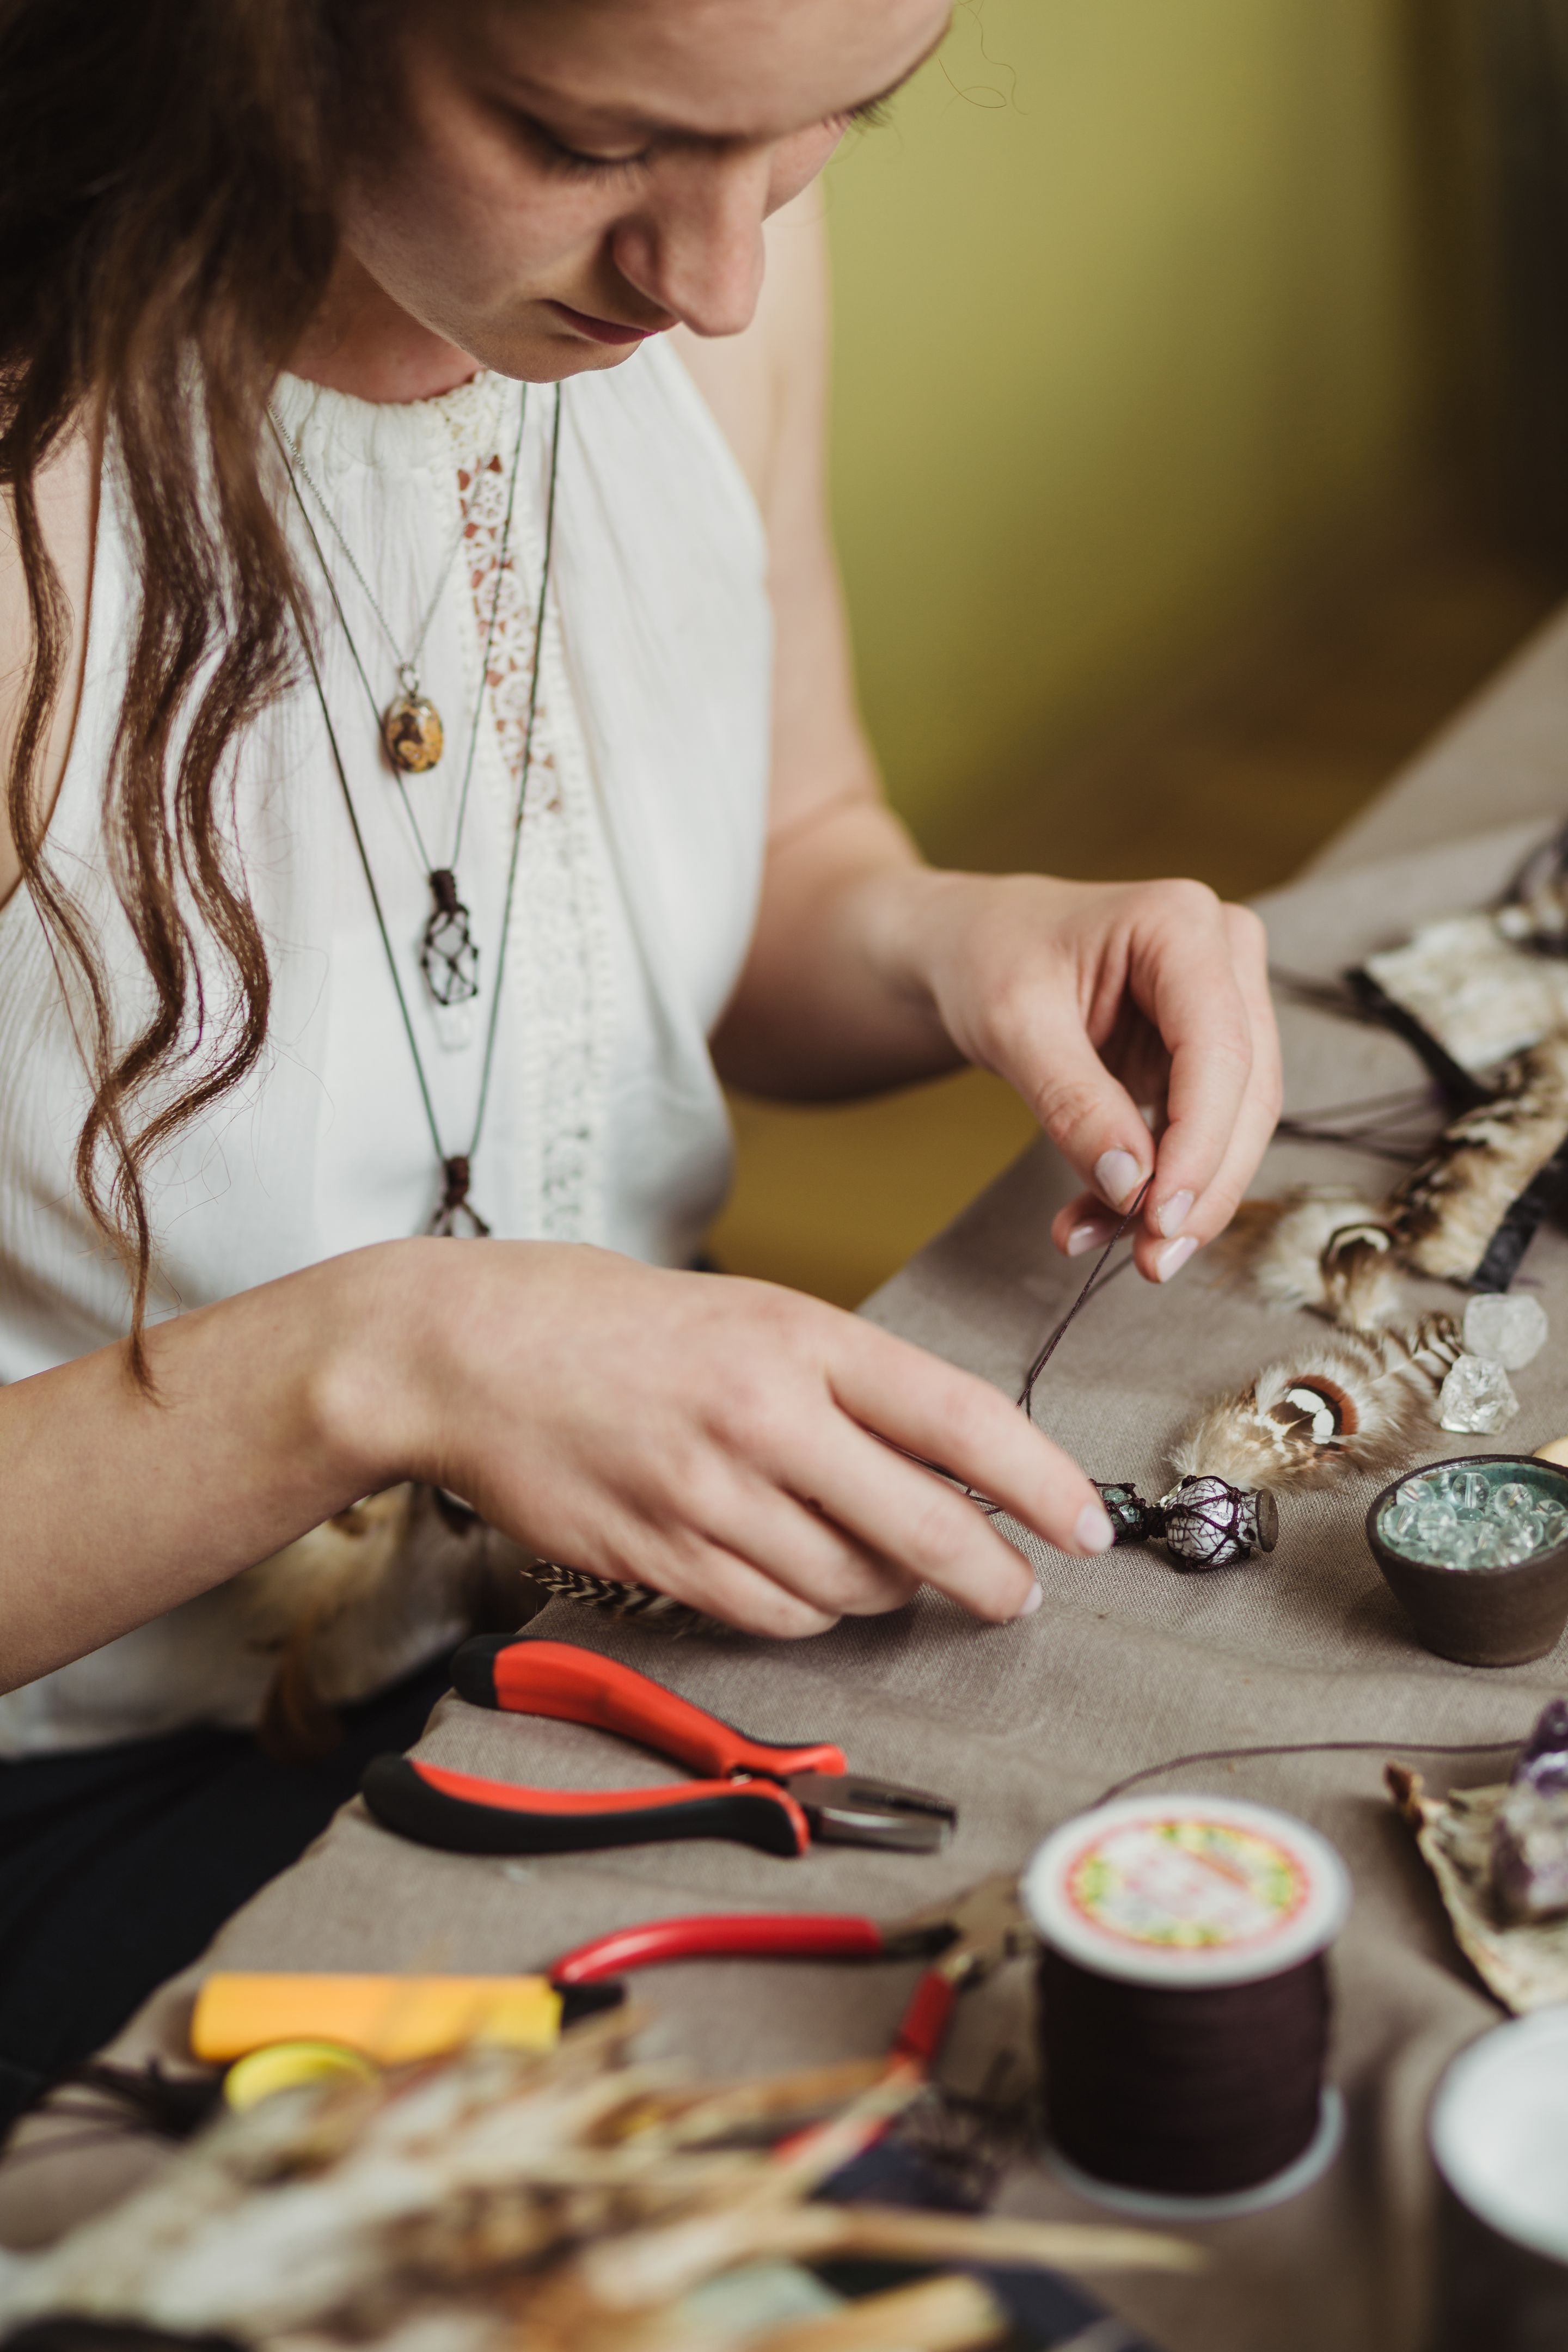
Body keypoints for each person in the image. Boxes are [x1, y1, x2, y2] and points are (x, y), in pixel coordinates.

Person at [0, 0, 1281, 2120]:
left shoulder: (696, 292)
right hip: (85, 1785)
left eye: (827, 133)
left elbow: (781, 868)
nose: (717, 278)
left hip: (598, 1620)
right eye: (585, 140)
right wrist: (390, 1363)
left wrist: (964, 941)